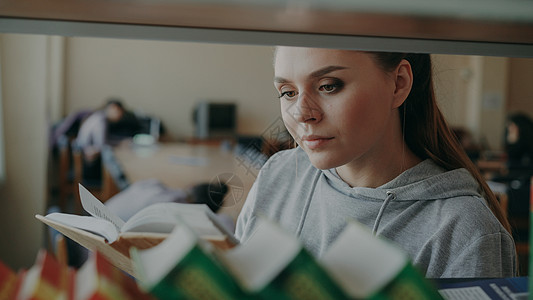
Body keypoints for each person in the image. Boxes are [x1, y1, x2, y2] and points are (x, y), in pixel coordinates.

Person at [235, 48, 516, 278]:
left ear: (399, 83)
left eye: (328, 86)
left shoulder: (465, 230)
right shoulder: (279, 173)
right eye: (288, 92)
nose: (302, 113)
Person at [75, 98, 141, 180]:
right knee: (119, 166)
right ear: (113, 108)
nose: (120, 116)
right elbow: (102, 144)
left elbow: (104, 139)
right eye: (119, 112)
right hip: (88, 162)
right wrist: (120, 143)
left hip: (86, 157)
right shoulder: (100, 120)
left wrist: (121, 141)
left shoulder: (99, 116)